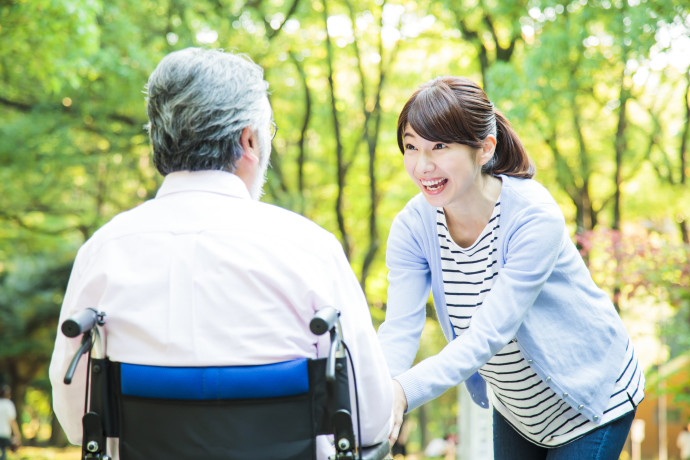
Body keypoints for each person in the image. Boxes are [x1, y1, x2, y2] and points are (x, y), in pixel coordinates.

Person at [48, 47, 392, 460]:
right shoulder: (310, 249)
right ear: (249, 140)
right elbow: (370, 419)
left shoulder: (103, 252)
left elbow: (75, 421)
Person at [377, 76, 645, 459]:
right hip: (520, 413)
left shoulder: (532, 216)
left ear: (484, 149)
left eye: (439, 146)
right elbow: (400, 327)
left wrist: (405, 391)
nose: (423, 165)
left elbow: (489, 334)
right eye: (411, 146)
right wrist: (382, 393)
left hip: (594, 399)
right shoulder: (412, 227)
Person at [0, 385, 20, 460]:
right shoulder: (8, 404)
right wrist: (17, 435)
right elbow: (12, 421)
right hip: (4, 433)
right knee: (3, 452)